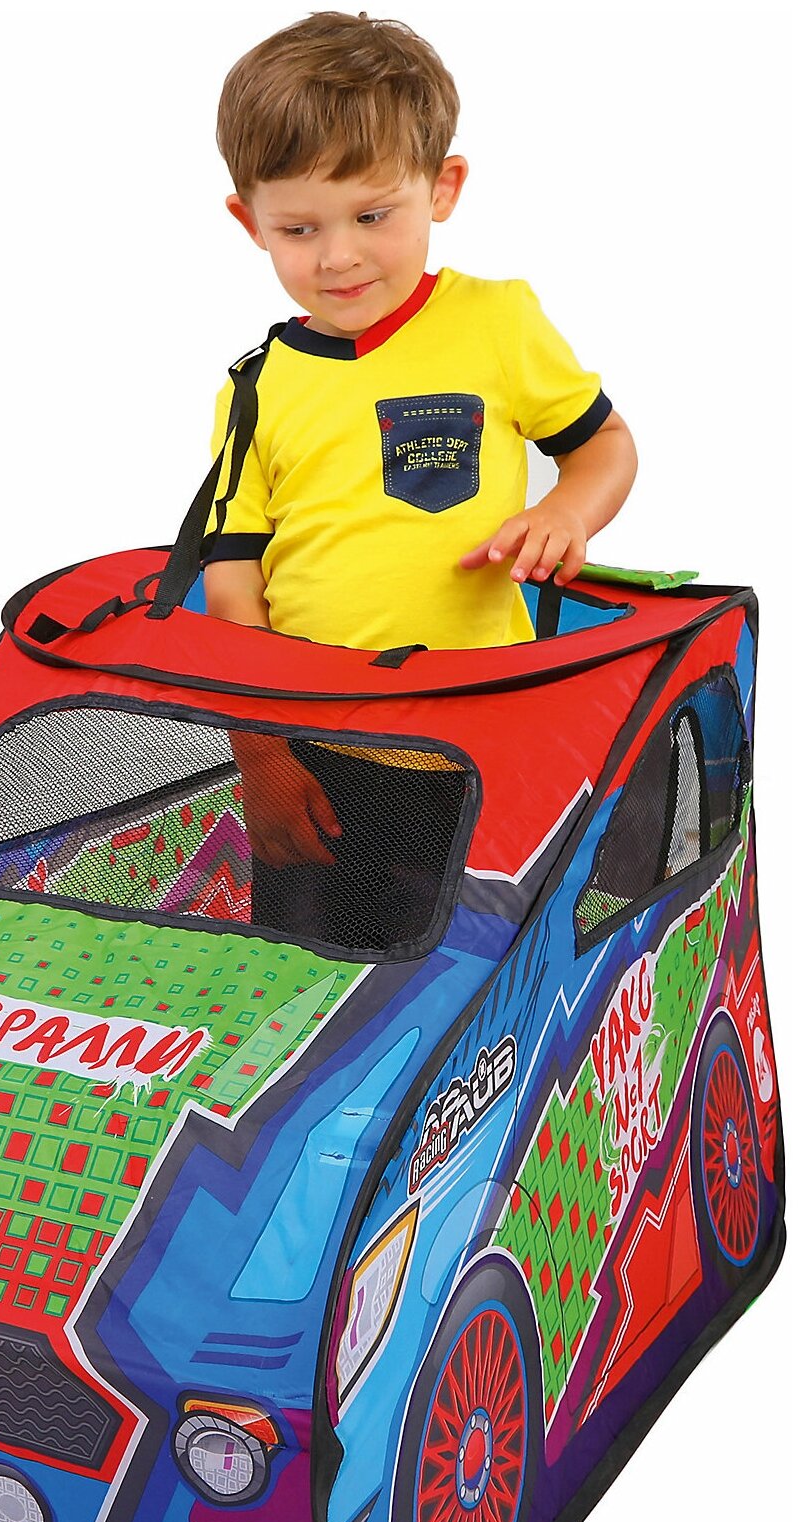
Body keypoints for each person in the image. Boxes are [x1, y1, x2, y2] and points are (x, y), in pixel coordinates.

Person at [201, 10, 637, 949]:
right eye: (299, 227)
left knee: (471, 981)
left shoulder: (496, 323)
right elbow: (232, 587)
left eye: (372, 216)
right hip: (315, 757)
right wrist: (262, 759)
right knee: (309, 986)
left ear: (443, 188)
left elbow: (604, 445)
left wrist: (568, 510)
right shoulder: (255, 388)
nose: (339, 256)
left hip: (482, 747)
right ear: (249, 222)